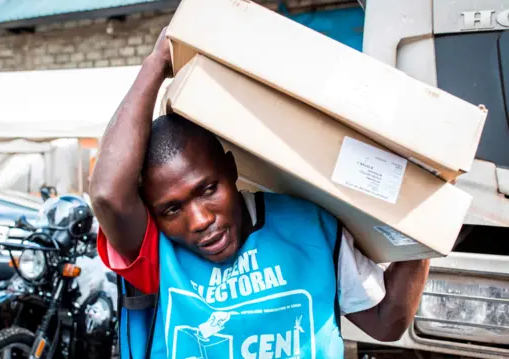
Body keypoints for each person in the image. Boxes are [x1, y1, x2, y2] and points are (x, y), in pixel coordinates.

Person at [90, 28, 430, 358]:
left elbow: (386, 323)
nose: (200, 219)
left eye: (208, 190)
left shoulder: (311, 226)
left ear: (231, 170)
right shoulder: (157, 253)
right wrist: (156, 63)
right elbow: (107, 194)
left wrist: (426, 216)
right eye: (171, 210)